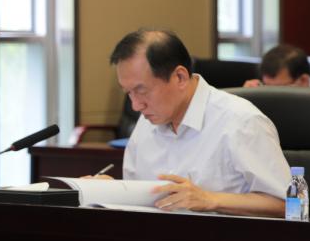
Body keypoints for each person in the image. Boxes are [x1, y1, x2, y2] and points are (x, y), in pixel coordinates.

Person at [110, 29, 289, 217]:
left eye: (141, 90)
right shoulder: (147, 121)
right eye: (128, 92)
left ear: (180, 77)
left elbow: (287, 204)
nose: (136, 105)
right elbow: (137, 198)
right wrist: (109, 191)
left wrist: (210, 200)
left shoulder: (242, 121)